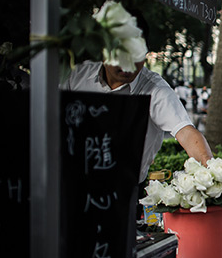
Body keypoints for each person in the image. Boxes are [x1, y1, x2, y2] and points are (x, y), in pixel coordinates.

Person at [61, 55, 212, 184]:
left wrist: (212, 175)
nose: (128, 64)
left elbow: (186, 132)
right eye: (121, 55)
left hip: (126, 192)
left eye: (136, 55)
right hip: (73, 185)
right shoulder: (76, 76)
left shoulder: (155, 89)